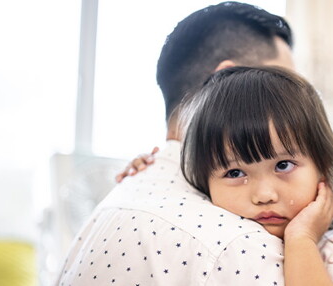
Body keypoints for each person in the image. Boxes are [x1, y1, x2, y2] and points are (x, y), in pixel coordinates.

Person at [57, 2, 295, 285]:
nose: (294, 103)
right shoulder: (242, 247)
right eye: (283, 85)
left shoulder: (116, 203)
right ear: (225, 81)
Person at [178, 65, 333, 285]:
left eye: (283, 165)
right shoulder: (230, 253)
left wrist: (302, 239)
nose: (264, 195)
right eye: (235, 172)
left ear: (323, 166)